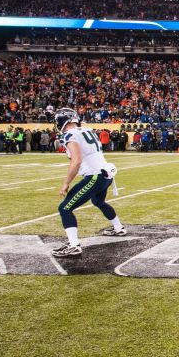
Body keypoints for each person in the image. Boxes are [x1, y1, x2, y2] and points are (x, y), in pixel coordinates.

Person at [51, 109, 127, 257]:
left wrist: (66, 183)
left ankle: (74, 246)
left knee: (65, 208)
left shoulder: (70, 134)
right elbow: (83, 128)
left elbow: (77, 160)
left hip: (95, 176)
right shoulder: (86, 129)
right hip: (106, 174)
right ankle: (118, 228)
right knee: (98, 201)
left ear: (62, 121)